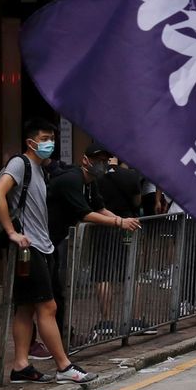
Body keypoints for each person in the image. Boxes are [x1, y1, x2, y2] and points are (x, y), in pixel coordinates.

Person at [0, 119, 97, 384]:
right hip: (30, 247)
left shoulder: (39, 168)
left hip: (40, 246)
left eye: (52, 138)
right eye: (45, 138)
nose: (50, 143)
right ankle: (64, 366)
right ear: (31, 142)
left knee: (26, 308)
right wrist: (12, 233)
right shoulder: (20, 163)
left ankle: (21, 366)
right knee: (47, 306)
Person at [46, 144, 142, 349]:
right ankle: (51, 342)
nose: (101, 165)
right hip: (44, 239)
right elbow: (85, 214)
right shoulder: (73, 180)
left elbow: (99, 208)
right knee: (47, 297)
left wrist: (121, 219)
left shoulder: (91, 183)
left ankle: (63, 338)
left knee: (55, 294)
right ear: (85, 160)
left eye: (104, 161)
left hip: (56, 240)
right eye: (97, 160)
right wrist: (120, 222)